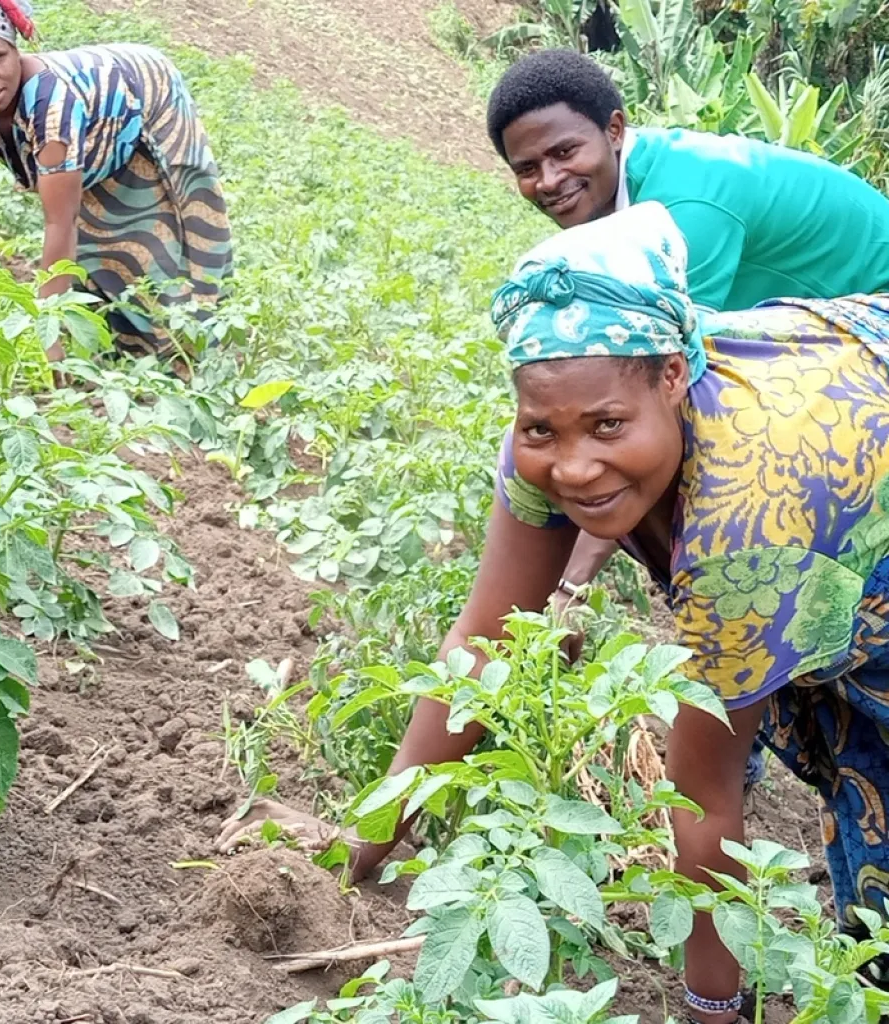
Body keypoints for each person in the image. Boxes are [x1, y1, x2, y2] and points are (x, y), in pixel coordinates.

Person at [222, 203, 889, 1021]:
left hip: (836, 487)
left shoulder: (745, 525)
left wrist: (708, 1007)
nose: (573, 465)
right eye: (543, 427)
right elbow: (482, 639)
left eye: (608, 425)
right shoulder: (545, 440)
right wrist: (365, 839)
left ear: (674, 376)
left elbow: (701, 795)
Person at [485, 48, 889, 611]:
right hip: (794, 314)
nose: (550, 181)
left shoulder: (688, 204)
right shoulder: (621, 201)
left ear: (615, 130)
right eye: (527, 169)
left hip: (871, 317)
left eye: (564, 152)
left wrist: (570, 584)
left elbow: (653, 390)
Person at [0, 0, 233, 363]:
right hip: (81, 133)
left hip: (148, 96)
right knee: (95, 235)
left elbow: (58, 220)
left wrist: (46, 331)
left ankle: (200, 338)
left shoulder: (52, 102)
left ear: (16, 49)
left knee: (172, 223)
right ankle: (108, 335)